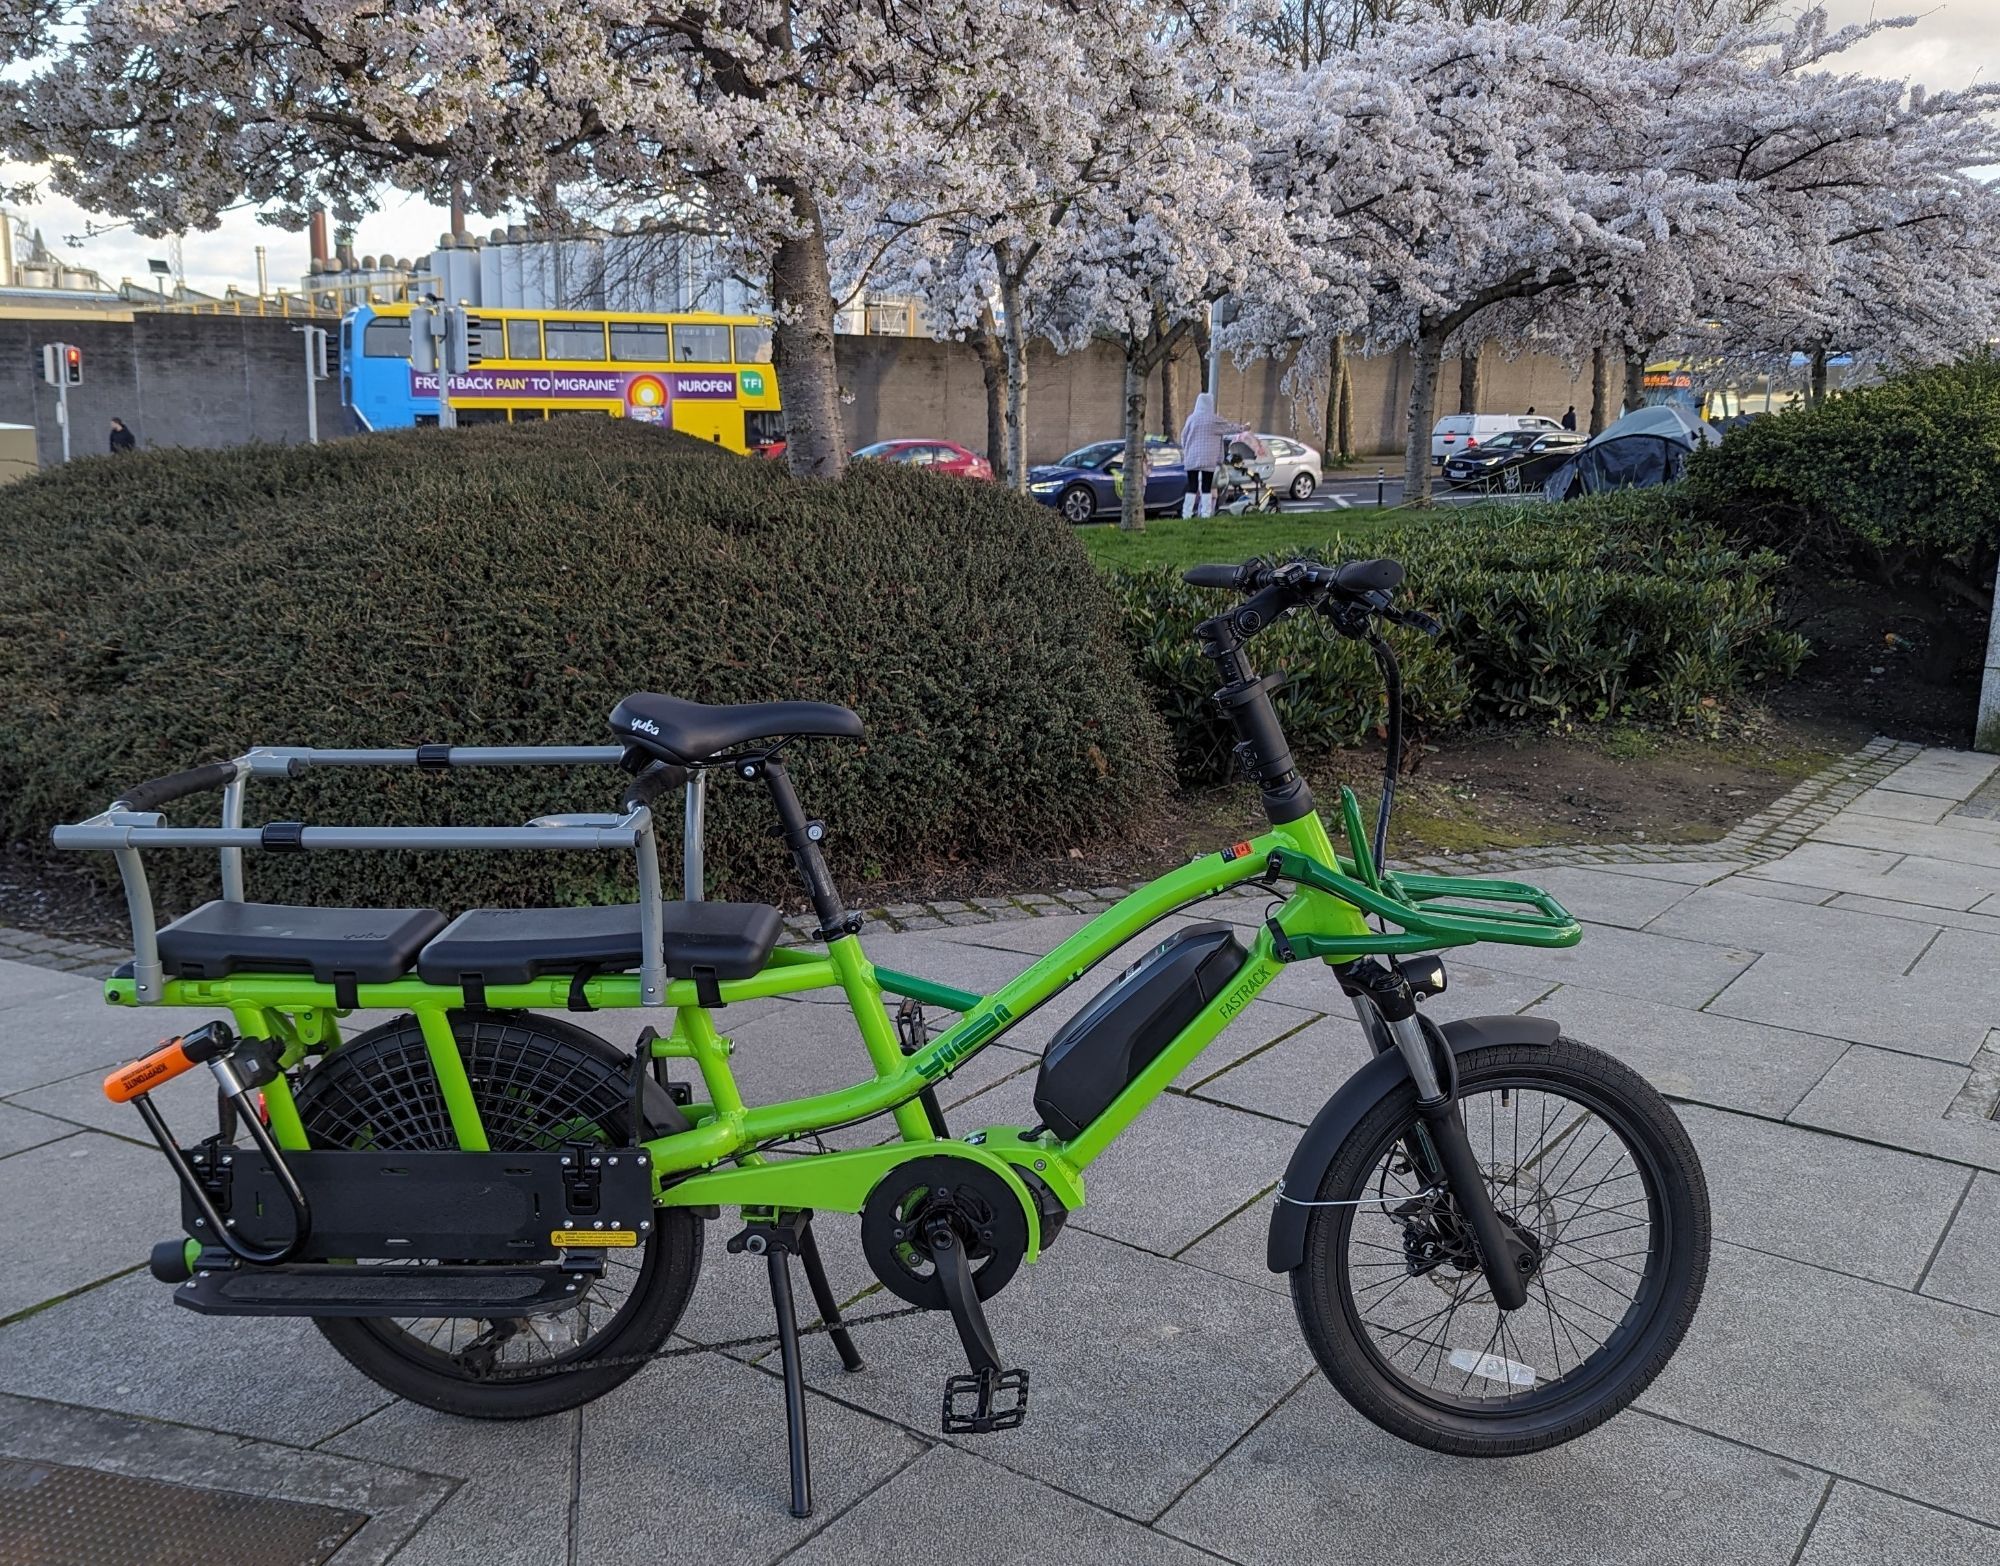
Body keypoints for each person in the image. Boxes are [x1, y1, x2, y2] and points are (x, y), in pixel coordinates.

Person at [1178, 391, 1246, 518]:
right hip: (1208, 458)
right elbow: (1229, 427)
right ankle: (1206, 513)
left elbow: (1183, 436)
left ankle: (1186, 513)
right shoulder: (1214, 420)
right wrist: (1243, 428)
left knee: (1192, 486)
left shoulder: (1191, 418)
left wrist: (1186, 449)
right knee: (1206, 486)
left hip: (1192, 457)